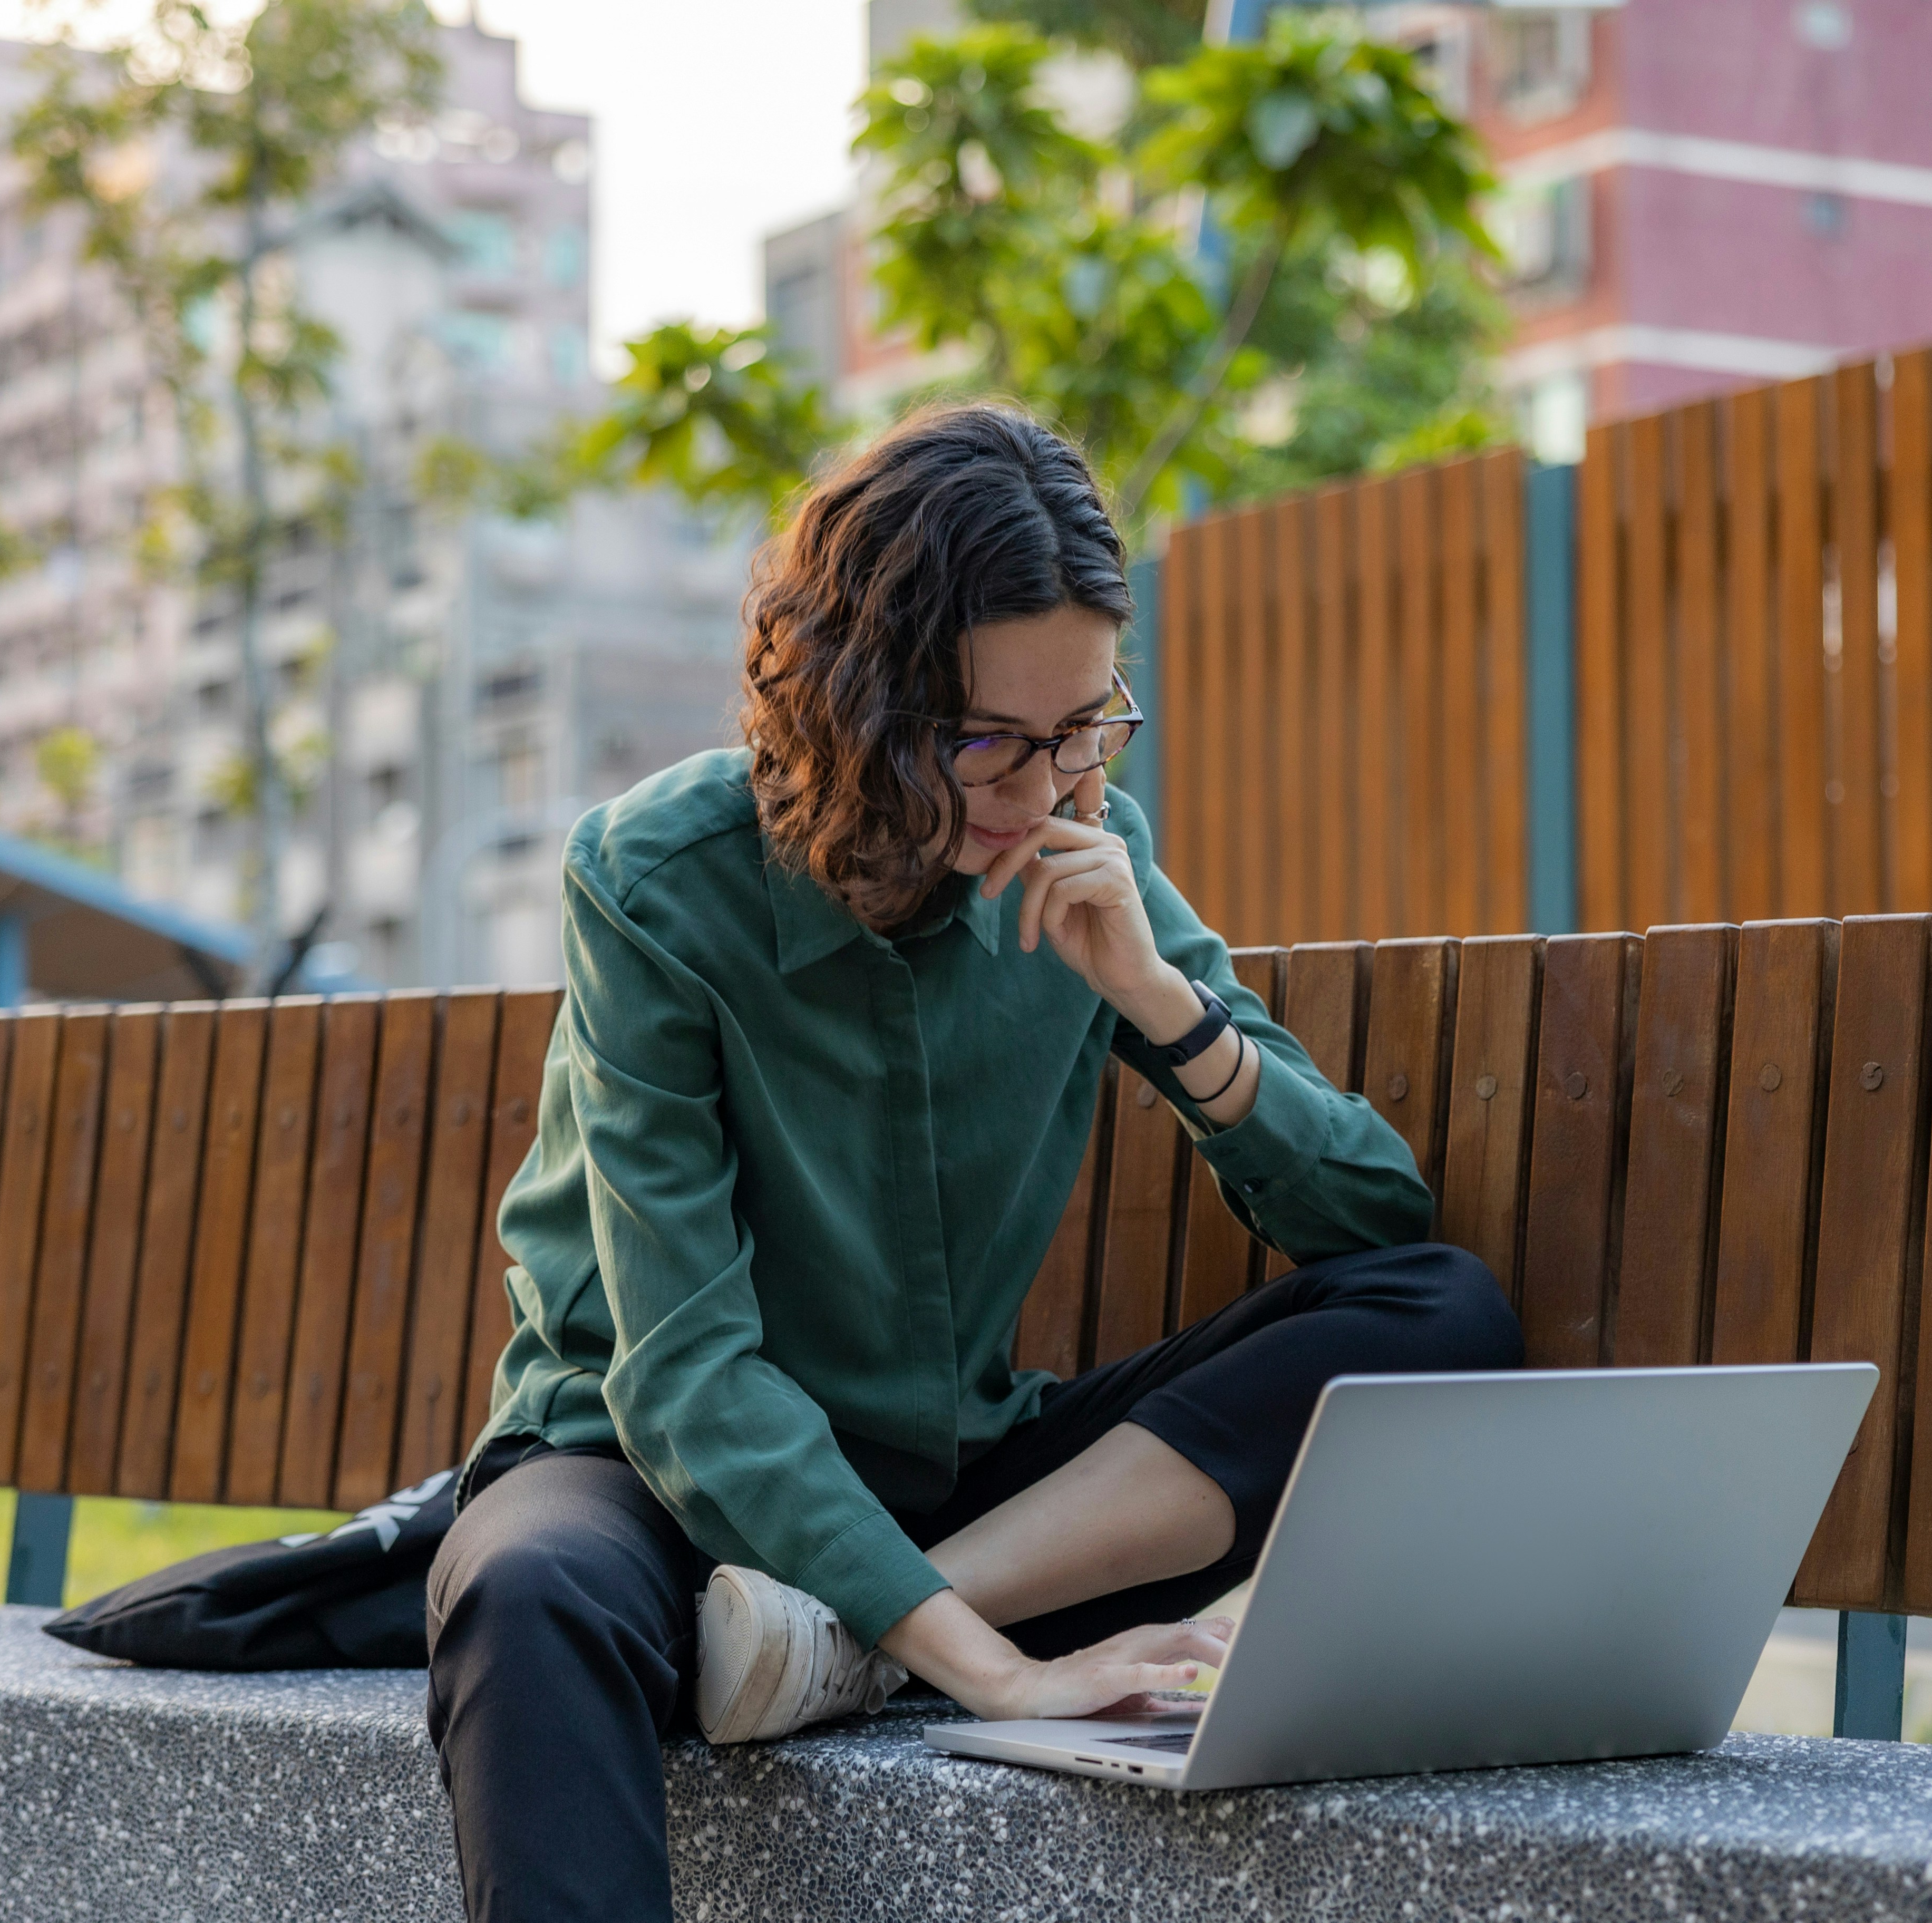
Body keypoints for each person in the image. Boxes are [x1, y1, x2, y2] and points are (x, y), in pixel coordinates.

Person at [421, 405, 1523, 1923]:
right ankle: (876, 1625)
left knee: (1438, 1320)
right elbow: (681, 1377)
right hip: (651, 1483)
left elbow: (1374, 1221)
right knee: (527, 1596)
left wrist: (1158, 999)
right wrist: (1001, 1670)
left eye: (1086, 728)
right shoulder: (655, 881)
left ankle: (833, 1642)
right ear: (855, 706)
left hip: (958, 1497)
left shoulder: (1088, 851)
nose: (1044, 789)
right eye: (990, 740)